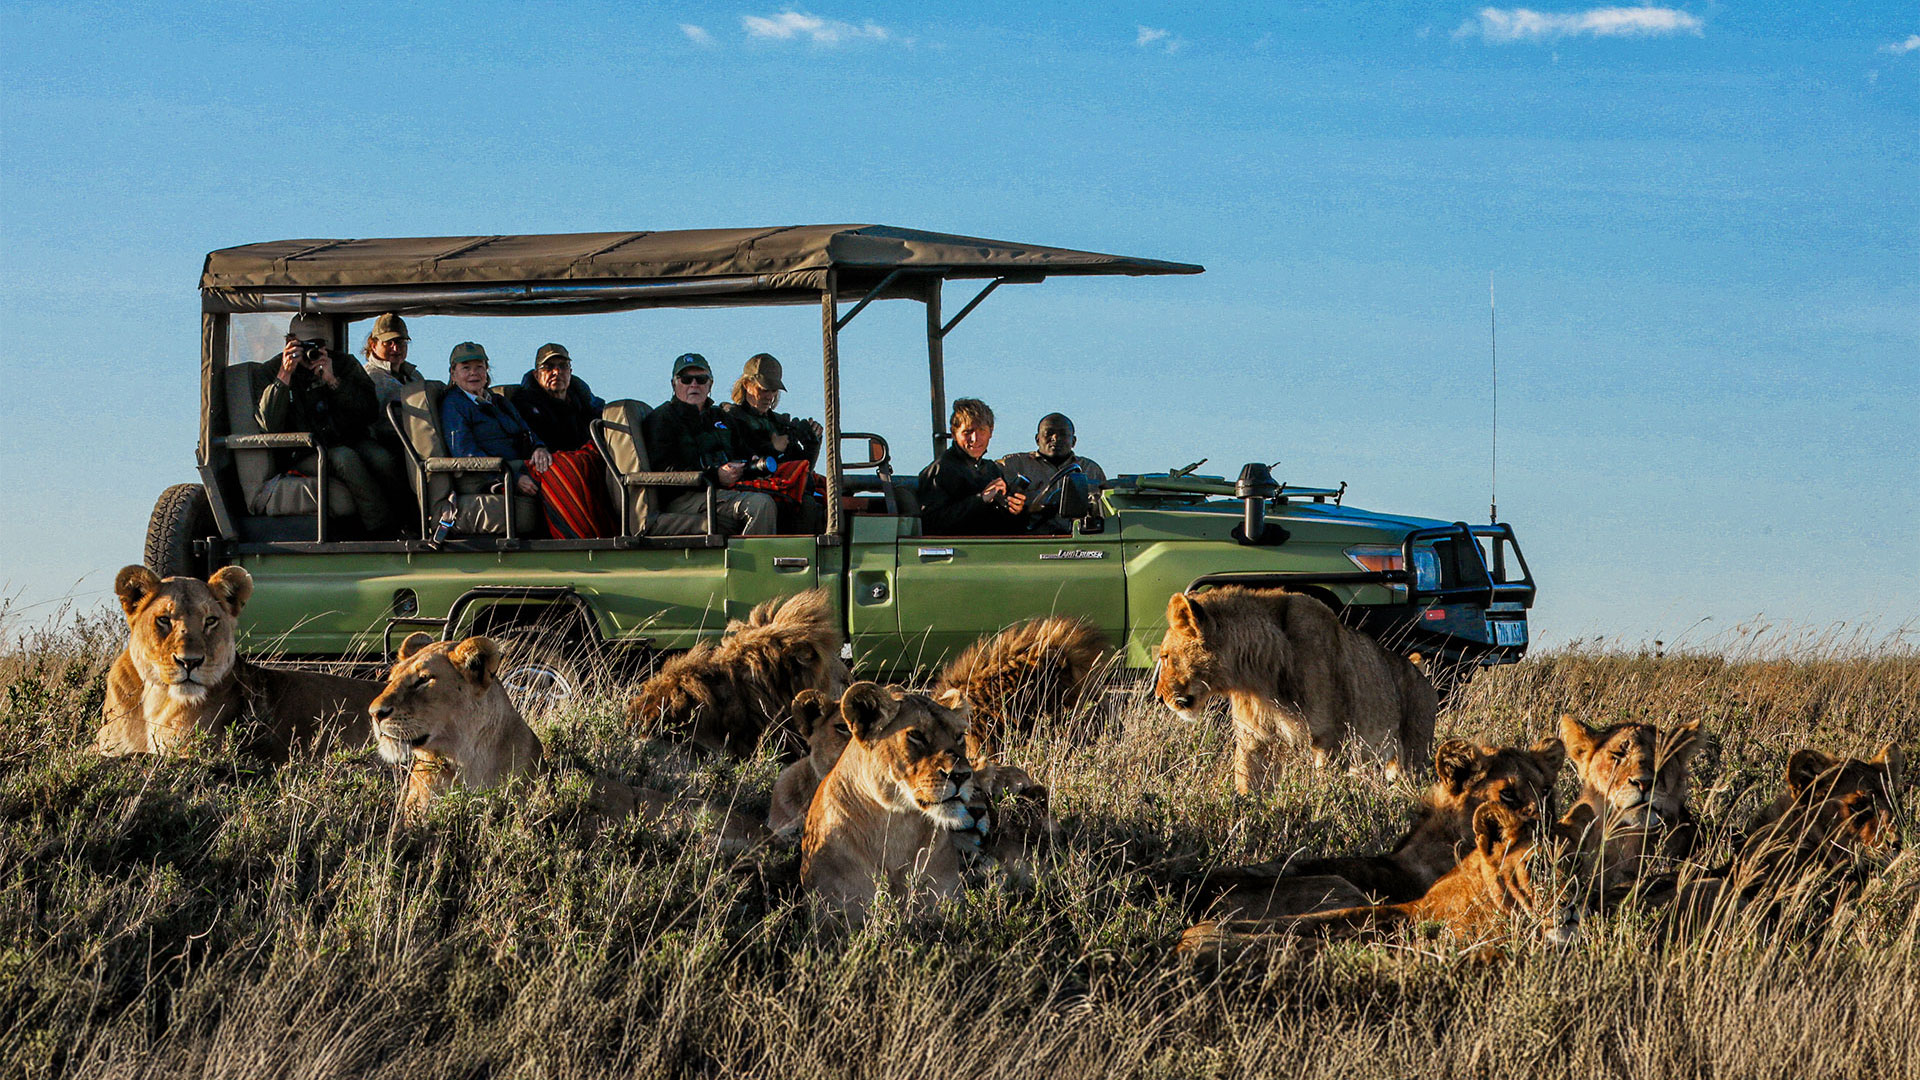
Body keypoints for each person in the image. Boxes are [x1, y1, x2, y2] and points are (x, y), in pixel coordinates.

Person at [256, 312, 409, 536]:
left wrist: (333, 381)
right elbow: (268, 424)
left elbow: (368, 410)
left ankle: (410, 522)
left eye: (317, 345)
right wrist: (285, 375)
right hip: (303, 451)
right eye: (304, 345)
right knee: (345, 459)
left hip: (348, 439)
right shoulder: (272, 370)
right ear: (290, 342)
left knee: (382, 458)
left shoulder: (343, 364)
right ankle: (382, 531)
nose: (311, 352)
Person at [641, 353, 776, 537]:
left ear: (710, 384)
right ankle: (755, 565)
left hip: (722, 491)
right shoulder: (662, 419)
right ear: (674, 384)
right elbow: (665, 471)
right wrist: (715, 476)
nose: (694, 385)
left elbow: (744, 450)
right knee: (760, 504)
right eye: (686, 379)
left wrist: (753, 462)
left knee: (789, 497)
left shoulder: (721, 417)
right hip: (685, 496)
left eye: (701, 379)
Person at [512, 343, 614, 538]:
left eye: (562, 366)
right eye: (548, 367)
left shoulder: (582, 399)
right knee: (565, 471)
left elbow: (601, 419)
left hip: (582, 457)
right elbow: (523, 435)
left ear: (571, 371)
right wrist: (537, 447)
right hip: (547, 462)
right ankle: (582, 537)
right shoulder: (524, 403)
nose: (556, 372)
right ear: (536, 374)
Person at [722, 353, 824, 532]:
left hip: (781, 491)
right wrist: (772, 449)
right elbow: (734, 460)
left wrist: (812, 444)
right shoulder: (729, 419)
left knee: (811, 502)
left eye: (773, 390)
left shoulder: (779, 423)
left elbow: (802, 470)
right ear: (747, 385)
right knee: (800, 504)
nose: (769, 396)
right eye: (763, 389)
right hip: (747, 490)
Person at [440, 342, 549, 501]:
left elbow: (527, 432)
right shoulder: (454, 404)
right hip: (493, 474)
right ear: (453, 374)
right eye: (466, 368)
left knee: (578, 464)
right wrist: (513, 478)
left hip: (521, 464)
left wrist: (539, 448)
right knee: (559, 480)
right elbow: (466, 454)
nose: (473, 373)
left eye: (479, 367)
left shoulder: (500, 402)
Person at [916, 397, 1027, 535]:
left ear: (991, 432)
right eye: (967, 431)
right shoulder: (940, 470)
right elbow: (930, 524)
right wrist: (981, 499)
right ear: (953, 432)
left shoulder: (992, 469)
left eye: (982, 430)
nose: (975, 439)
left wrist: (1016, 510)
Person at [997, 412, 1107, 530]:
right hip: (1029, 539)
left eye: (1063, 434)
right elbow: (987, 487)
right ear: (1037, 439)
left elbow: (1105, 512)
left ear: (1073, 441)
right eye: (1048, 433)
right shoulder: (1013, 465)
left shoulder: (1091, 470)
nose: (1055, 438)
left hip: (1078, 541)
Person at [361, 313, 423, 409]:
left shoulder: (415, 376)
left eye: (400, 342)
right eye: (388, 343)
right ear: (373, 345)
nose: (395, 348)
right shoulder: (369, 378)